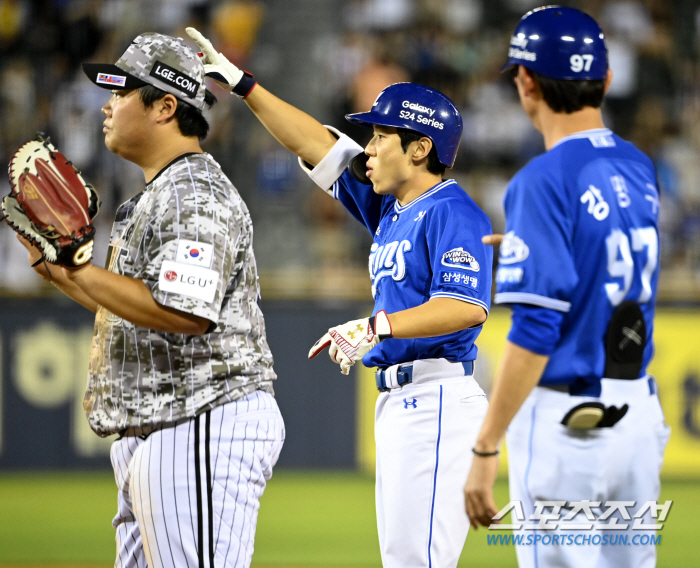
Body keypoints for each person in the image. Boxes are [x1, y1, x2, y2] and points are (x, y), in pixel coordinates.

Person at [186, 27, 492, 568]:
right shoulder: (389, 209)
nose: (367, 148)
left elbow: (466, 306)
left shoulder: (453, 210)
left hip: (437, 398)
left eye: (380, 137)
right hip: (402, 401)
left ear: (420, 148)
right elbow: (316, 145)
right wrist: (242, 84)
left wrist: (378, 328)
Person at [18, 33, 285, 568]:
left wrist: (78, 268)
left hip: (200, 423)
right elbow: (136, 315)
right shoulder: (161, 192)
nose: (106, 104)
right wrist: (58, 272)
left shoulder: (195, 194)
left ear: (166, 106)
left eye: (120, 90)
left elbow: (182, 313)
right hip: (161, 428)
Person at [463, 7, 669, 568]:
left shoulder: (541, 180)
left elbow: (536, 328)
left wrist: (486, 445)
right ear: (604, 80)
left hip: (569, 426)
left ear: (526, 82)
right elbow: (609, 258)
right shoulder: (638, 165)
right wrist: (540, 245)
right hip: (636, 416)